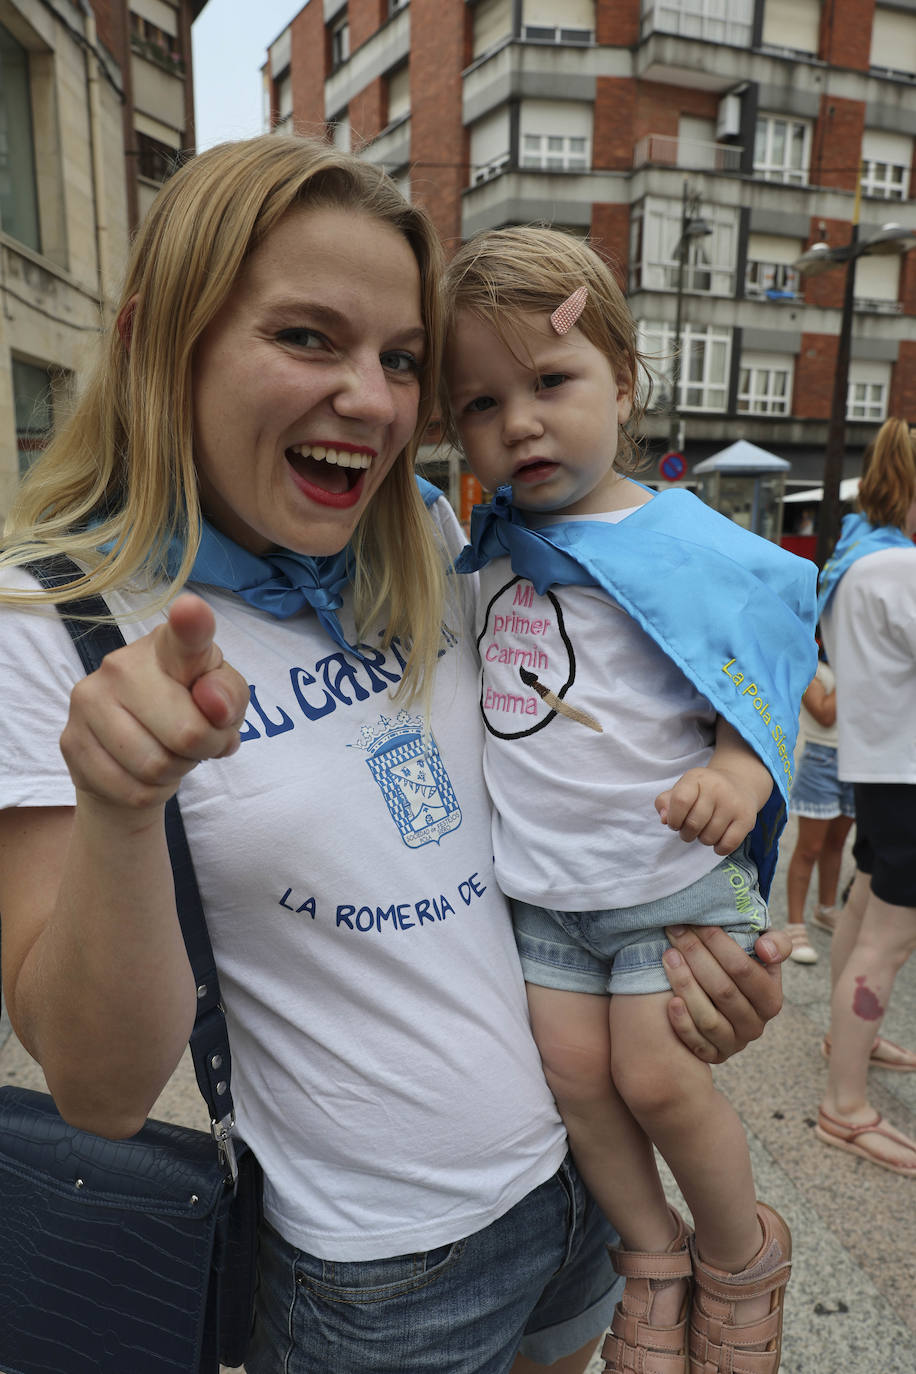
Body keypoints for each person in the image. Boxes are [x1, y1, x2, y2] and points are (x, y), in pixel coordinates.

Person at [0, 136, 792, 1374]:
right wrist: (119, 808)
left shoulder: (426, 535)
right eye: (308, 338)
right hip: (380, 1267)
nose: (373, 401)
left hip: (588, 1171)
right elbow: (99, 1091)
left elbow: (596, 754)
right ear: (161, 339)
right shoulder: (55, 615)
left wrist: (697, 964)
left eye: (403, 360)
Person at [442, 226, 817, 1374]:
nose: (519, 423)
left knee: (654, 1076)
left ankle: (738, 1253)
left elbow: (757, 682)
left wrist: (737, 774)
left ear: (623, 379)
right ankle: (647, 1259)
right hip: (546, 898)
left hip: (668, 891)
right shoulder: (482, 551)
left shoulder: (688, 543)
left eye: (550, 381)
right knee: (574, 1083)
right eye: (478, 403)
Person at [815, 417, 916, 1174]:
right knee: (888, 939)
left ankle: (845, 1038)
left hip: (877, 763)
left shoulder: (857, 559)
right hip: (907, 769)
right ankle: (844, 1108)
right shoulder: (900, 570)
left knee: (862, 904)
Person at [783, 648, 855, 964]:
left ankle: (825, 910)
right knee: (809, 848)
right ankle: (794, 924)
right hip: (821, 761)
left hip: (858, 761)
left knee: (837, 845)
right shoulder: (812, 667)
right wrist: (857, 675)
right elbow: (824, 713)